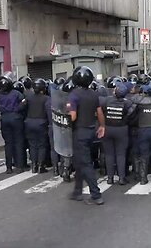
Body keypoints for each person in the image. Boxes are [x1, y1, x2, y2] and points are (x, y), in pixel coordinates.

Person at [68, 66, 105, 205]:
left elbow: (72, 116)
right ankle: (77, 191)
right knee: (79, 162)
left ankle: (96, 195)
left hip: (79, 132)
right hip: (91, 131)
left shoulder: (74, 95)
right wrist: (102, 126)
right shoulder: (94, 94)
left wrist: (63, 115)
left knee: (85, 164)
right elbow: (99, 112)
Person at [101, 82, 133, 185]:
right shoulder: (127, 103)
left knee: (109, 154)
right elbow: (131, 114)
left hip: (108, 128)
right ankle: (121, 178)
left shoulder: (106, 100)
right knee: (121, 154)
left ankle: (110, 178)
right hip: (121, 129)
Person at [0, 73, 26, 174]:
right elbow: (24, 103)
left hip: (4, 118)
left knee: (8, 143)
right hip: (16, 118)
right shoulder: (16, 93)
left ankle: (9, 167)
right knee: (18, 142)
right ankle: (20, 166)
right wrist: (17, 109)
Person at [24, 78, 49, 173]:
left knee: (32, 145)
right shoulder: (46, 98)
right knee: (42, 145)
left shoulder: (29, 97)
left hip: (29, 123)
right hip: (41, 123)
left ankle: (34, 165)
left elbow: (21, 107)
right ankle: (41, 165)